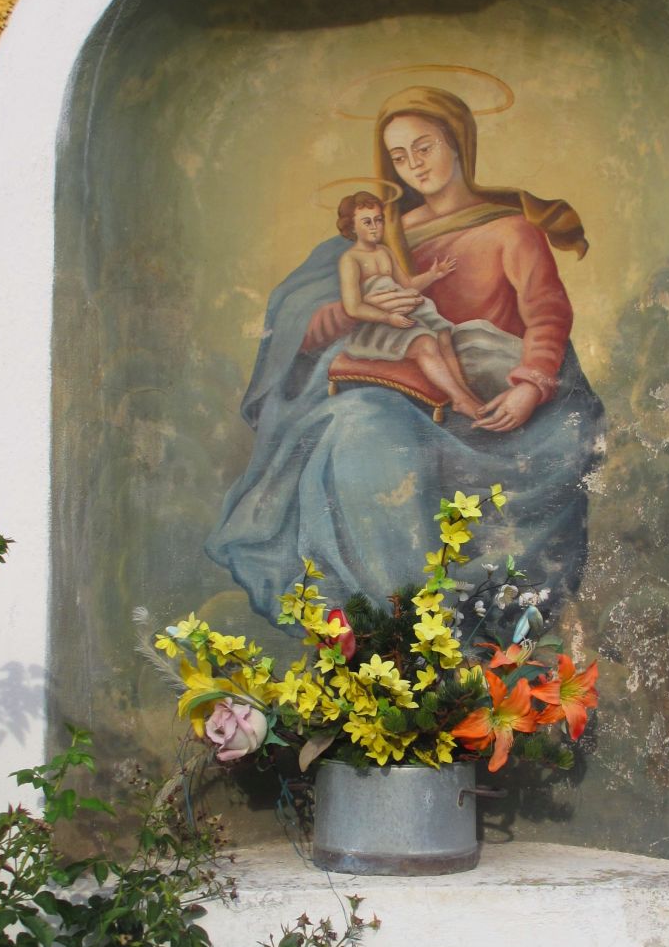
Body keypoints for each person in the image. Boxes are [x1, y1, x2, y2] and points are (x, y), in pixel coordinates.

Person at [205, 85, 604, 620]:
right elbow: (309, 329)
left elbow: (547, 314)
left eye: (425, 147)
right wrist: (358, 308)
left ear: (458, 143)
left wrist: (530, 387)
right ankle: (395, 625)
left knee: (379, 421)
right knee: (358, 427)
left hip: (497, 410)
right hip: (402, 395)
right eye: (399, 156)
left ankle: (453, 633)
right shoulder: (380, 240)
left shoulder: (511, 230)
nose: (413, 165)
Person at [335, 190, 484, 419]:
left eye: (379, 220)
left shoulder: (385, 252)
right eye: (367, 222)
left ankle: (466, 393)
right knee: (425, 342)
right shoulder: (350, 260)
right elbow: (353, 307)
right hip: (376, 326)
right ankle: (459, 399)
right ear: (352, 227)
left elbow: (407, 285)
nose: (375, 227)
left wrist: (434, 275)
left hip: (402, 312)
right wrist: (387, 317)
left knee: (443, 334)